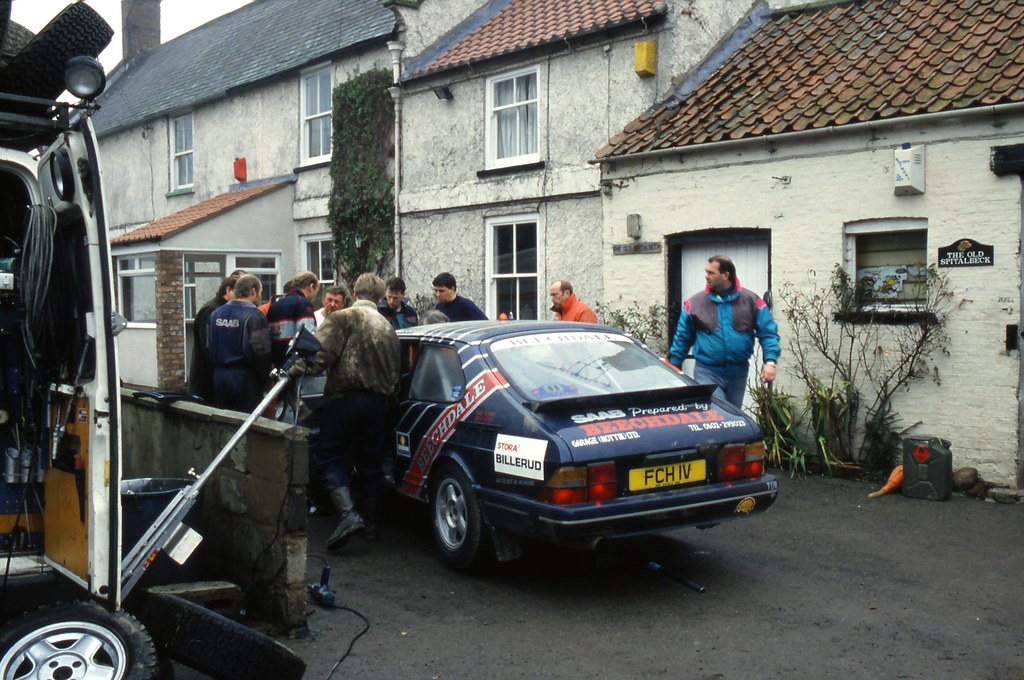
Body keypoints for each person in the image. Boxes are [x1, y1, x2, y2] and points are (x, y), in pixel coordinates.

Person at [291, 273, 400, 548]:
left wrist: (292, 371)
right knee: (371, 462)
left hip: (344, 400)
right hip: (378, 404)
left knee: (331, 456)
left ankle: (348, 515)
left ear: (354, 293)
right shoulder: (388, 327)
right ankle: (372, 525)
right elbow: (396, 371)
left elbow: (319, 355)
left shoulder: (343, 318)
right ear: (379, 296)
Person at [668, 255, 780, 408]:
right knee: (718, 412)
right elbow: (682, 337)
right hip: (707, 372)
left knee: (733, 416)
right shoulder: (694, 303)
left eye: (711, 273)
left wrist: (770, 362)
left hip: (738, 373)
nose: (706, 276)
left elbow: (768, 332)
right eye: (706, 272)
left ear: (726, 275)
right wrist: (674, 366)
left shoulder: (752, 301)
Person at [207, 274, 272, 412]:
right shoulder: (255, 316)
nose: (261, 297)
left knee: (222, 423)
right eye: (260, 292)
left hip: (219, 377)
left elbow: (208, 347)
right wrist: (266, 383)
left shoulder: (216, 314)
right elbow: (262, 353)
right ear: (253, 291)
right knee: (246, 425)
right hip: (244, 379)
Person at [189, 272, 240, 401]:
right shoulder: (211, 310)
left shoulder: (224, 309)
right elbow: (207, 347)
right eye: (239, 292)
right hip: (207, 381)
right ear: (228, 290)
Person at [267, 271, 319, 368]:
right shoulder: (303, 303)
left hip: (276, 364)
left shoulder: (275, 305)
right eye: (317, 290)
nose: (316, 295)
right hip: (295, 366)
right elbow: (307, 337)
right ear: (311, 286)